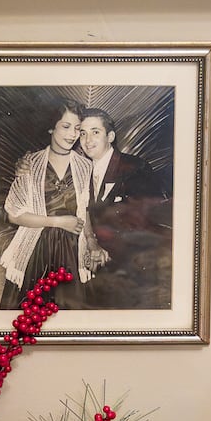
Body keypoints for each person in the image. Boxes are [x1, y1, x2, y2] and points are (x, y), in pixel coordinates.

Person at [0, 100, 95, 309]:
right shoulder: (30, 164)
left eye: (77, 129)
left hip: (72, 252)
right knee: (28, 317)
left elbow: (85, 211)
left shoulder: (86, 167)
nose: (72, 134)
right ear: (52, 126)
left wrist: (91, 241)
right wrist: (58, 221)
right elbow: (14, 215)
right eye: (66, 126)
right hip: (37, 250)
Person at [76, 107, 171, 308]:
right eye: (82, 133)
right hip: (96, 264)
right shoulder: (80, 170)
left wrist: (106, 250)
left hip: (131, 269)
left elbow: (146, 222)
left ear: (110, 136)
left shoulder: (134, 167)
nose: (87, 139)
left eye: (95, 132)